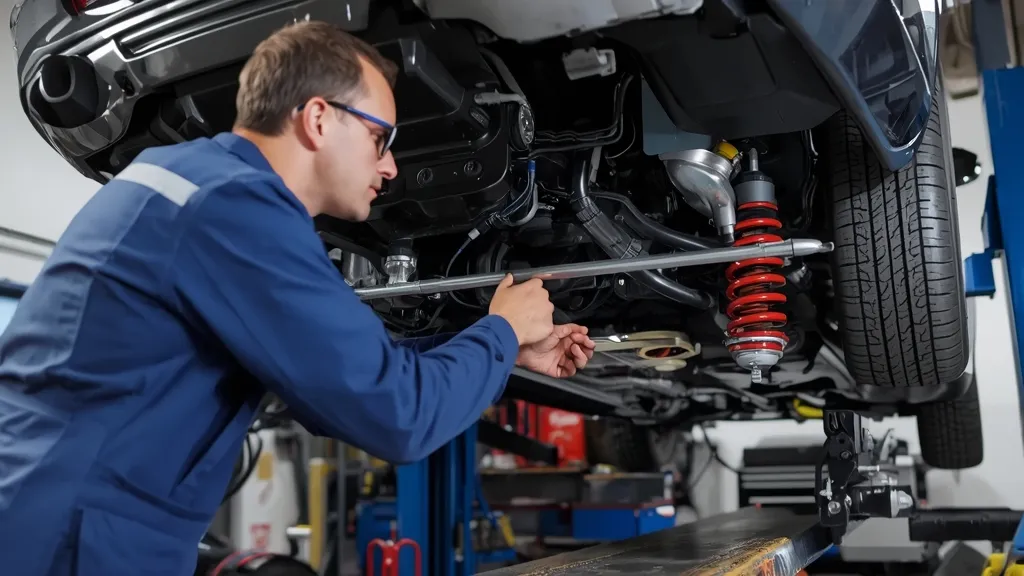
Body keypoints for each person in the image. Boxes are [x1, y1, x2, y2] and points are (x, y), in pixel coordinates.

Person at [0, 20, 596, 576]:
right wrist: (501, 332)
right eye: (379, 138)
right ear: (318, 118)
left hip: (63, 516)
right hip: (74, 537)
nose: (389, 166)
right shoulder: (232, 209)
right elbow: (395, 416)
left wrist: (499, 349)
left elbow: (339, 377)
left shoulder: (197, 181)